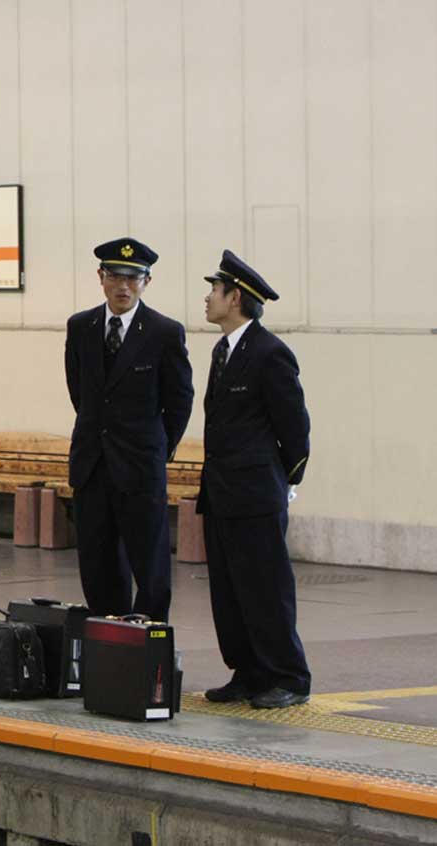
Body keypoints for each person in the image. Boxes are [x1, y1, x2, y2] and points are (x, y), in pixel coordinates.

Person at [198, 250, 311, 709]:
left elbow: (295, 431)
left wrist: (281, 484)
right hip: (222, 493)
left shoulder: (270, 353)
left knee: (266, 589)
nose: (207, 298)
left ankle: (288, 676)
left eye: (214, 290)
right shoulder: (223, 350)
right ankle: (248, 671)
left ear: (236, 297)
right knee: (229, 592)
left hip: (257, 496)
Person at [64, 238, 194, 623]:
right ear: (100, 277)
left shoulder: (163, 332)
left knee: (150, 562)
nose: (123, 286)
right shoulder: (81, 326)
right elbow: (81, 393)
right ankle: (109, 638)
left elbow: (179, 400)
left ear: (147, 282)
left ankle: (149, 642)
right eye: (115, 277)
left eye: (133, 278)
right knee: (97, 560)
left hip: (140, 466)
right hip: (92, 464)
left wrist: (156, 448)